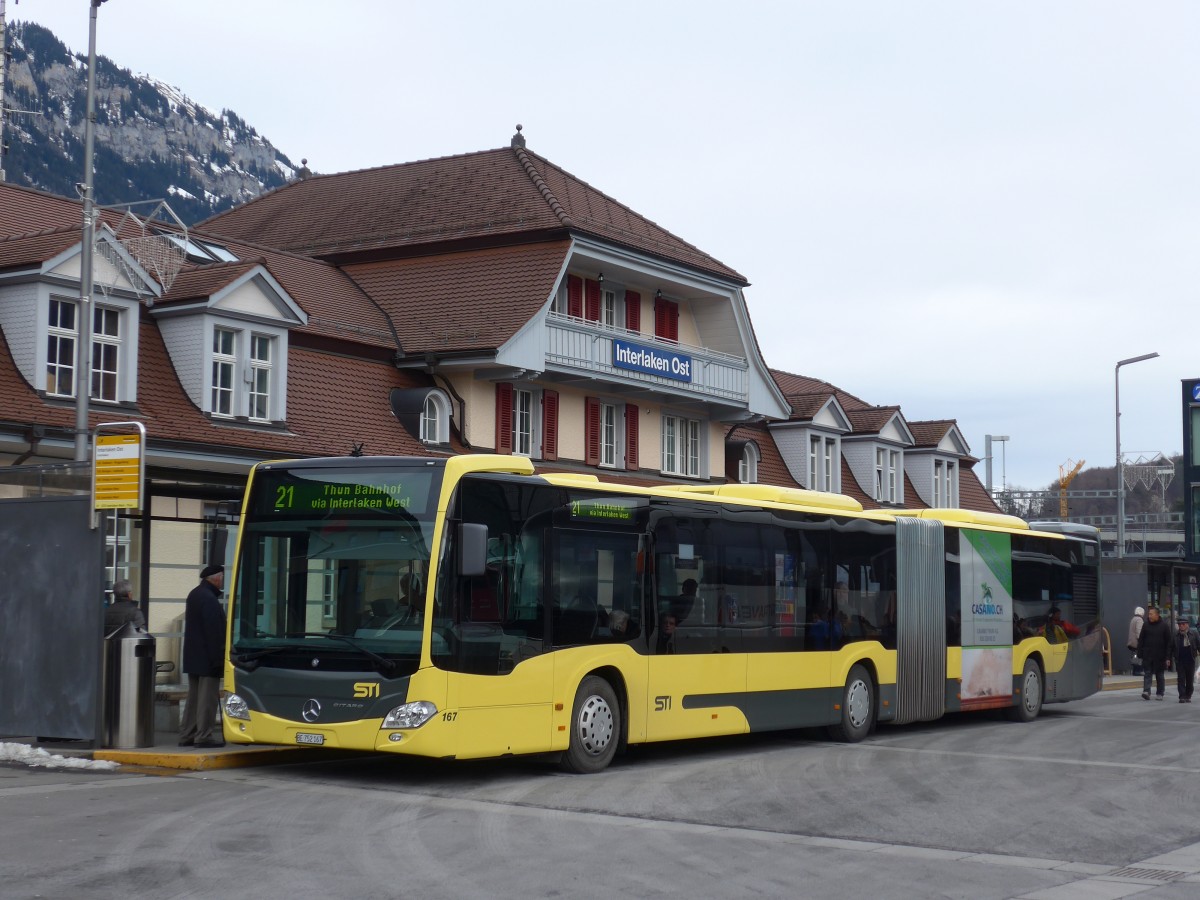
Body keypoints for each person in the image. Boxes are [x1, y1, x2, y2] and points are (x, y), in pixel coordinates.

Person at [179, 564, 228, 748]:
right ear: (214, 578)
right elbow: (214, 633)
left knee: (193, 699)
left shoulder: (195, 594)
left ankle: (187, 734)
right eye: (221, 577)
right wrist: (218, 660)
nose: (222, 580)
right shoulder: (209, 599)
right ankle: (203, 735)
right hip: (208, 658)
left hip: (193, 657)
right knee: (207, 700)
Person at [1136, 604, 1172, 701]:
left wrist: (1168, 657)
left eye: (1151, 614)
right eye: (1149, 614)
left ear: (1157, 615)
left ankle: (1160, 693)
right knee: (1147, 673)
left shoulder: (1164, 626)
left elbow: (1169, 642)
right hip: (1148, 654)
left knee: (1159, 675)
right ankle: (1146, 691)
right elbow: (1141, 639)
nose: (1149, 616)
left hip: (1160, 656)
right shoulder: (1146, 625)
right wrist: (1139, 652)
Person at [1172, 618, 1200, 703]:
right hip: (1180, 660)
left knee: (1189, 679)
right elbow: (1171, 646)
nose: (1181, 626)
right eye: (1180, 624)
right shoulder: (1176, 634)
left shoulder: (1194, 633)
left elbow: (1199, 644)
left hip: (1190, 659)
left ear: (1187, 624)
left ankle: (1188, 695)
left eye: (1183, 624)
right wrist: (1168, 658)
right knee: (1181, 678)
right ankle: (1182, 696)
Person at [1127, 606, 1146, 675]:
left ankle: (1135, 671)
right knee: (1139, 656)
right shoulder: (1139, 620)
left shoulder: (1133, 619)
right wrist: (1142, 640)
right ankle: (1139, 671)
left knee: (1135, 656)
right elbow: (1139, 632)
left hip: (1132, 642)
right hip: (1136, 642)